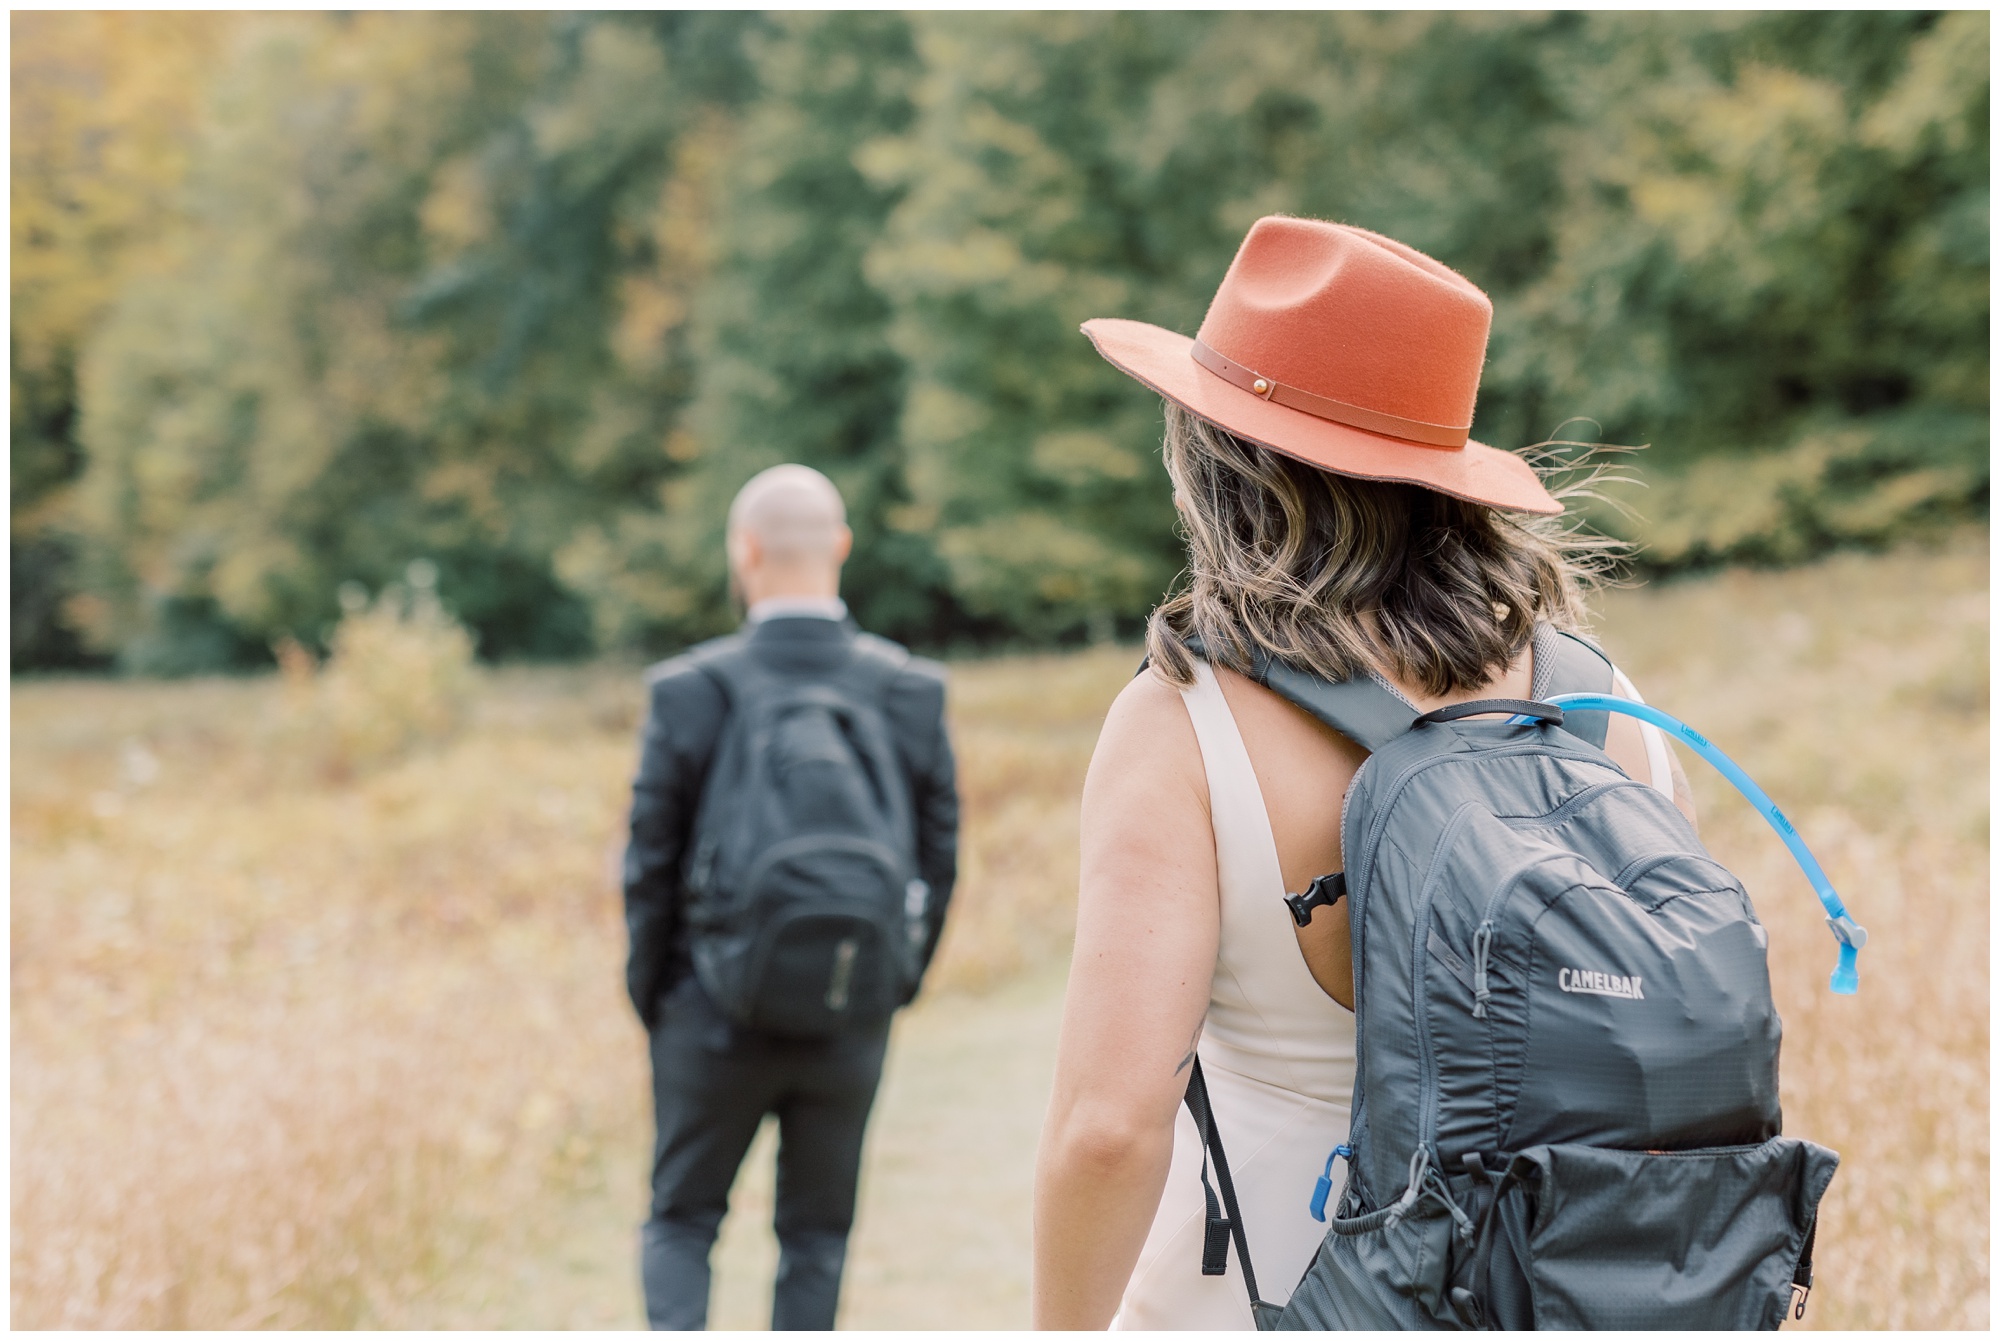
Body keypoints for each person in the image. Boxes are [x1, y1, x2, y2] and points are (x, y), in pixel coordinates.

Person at [1031, 216, 1696, 1329]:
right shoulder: (1606, 704)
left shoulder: (1181, 721)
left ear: (1219, 460)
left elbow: (1108, 1128)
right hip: (1560, 1295)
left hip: (1266, 1295)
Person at [623, 464, 959, 1331]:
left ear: (746, 550)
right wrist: (893, 983)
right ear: (841, 547)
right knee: (816, 1235)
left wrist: (658, 997)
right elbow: (941, 856)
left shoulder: (689, 691)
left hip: (709, 1010)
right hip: (853, 1005)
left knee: (683, 1220)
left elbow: (648, 868)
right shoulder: (910, 691)